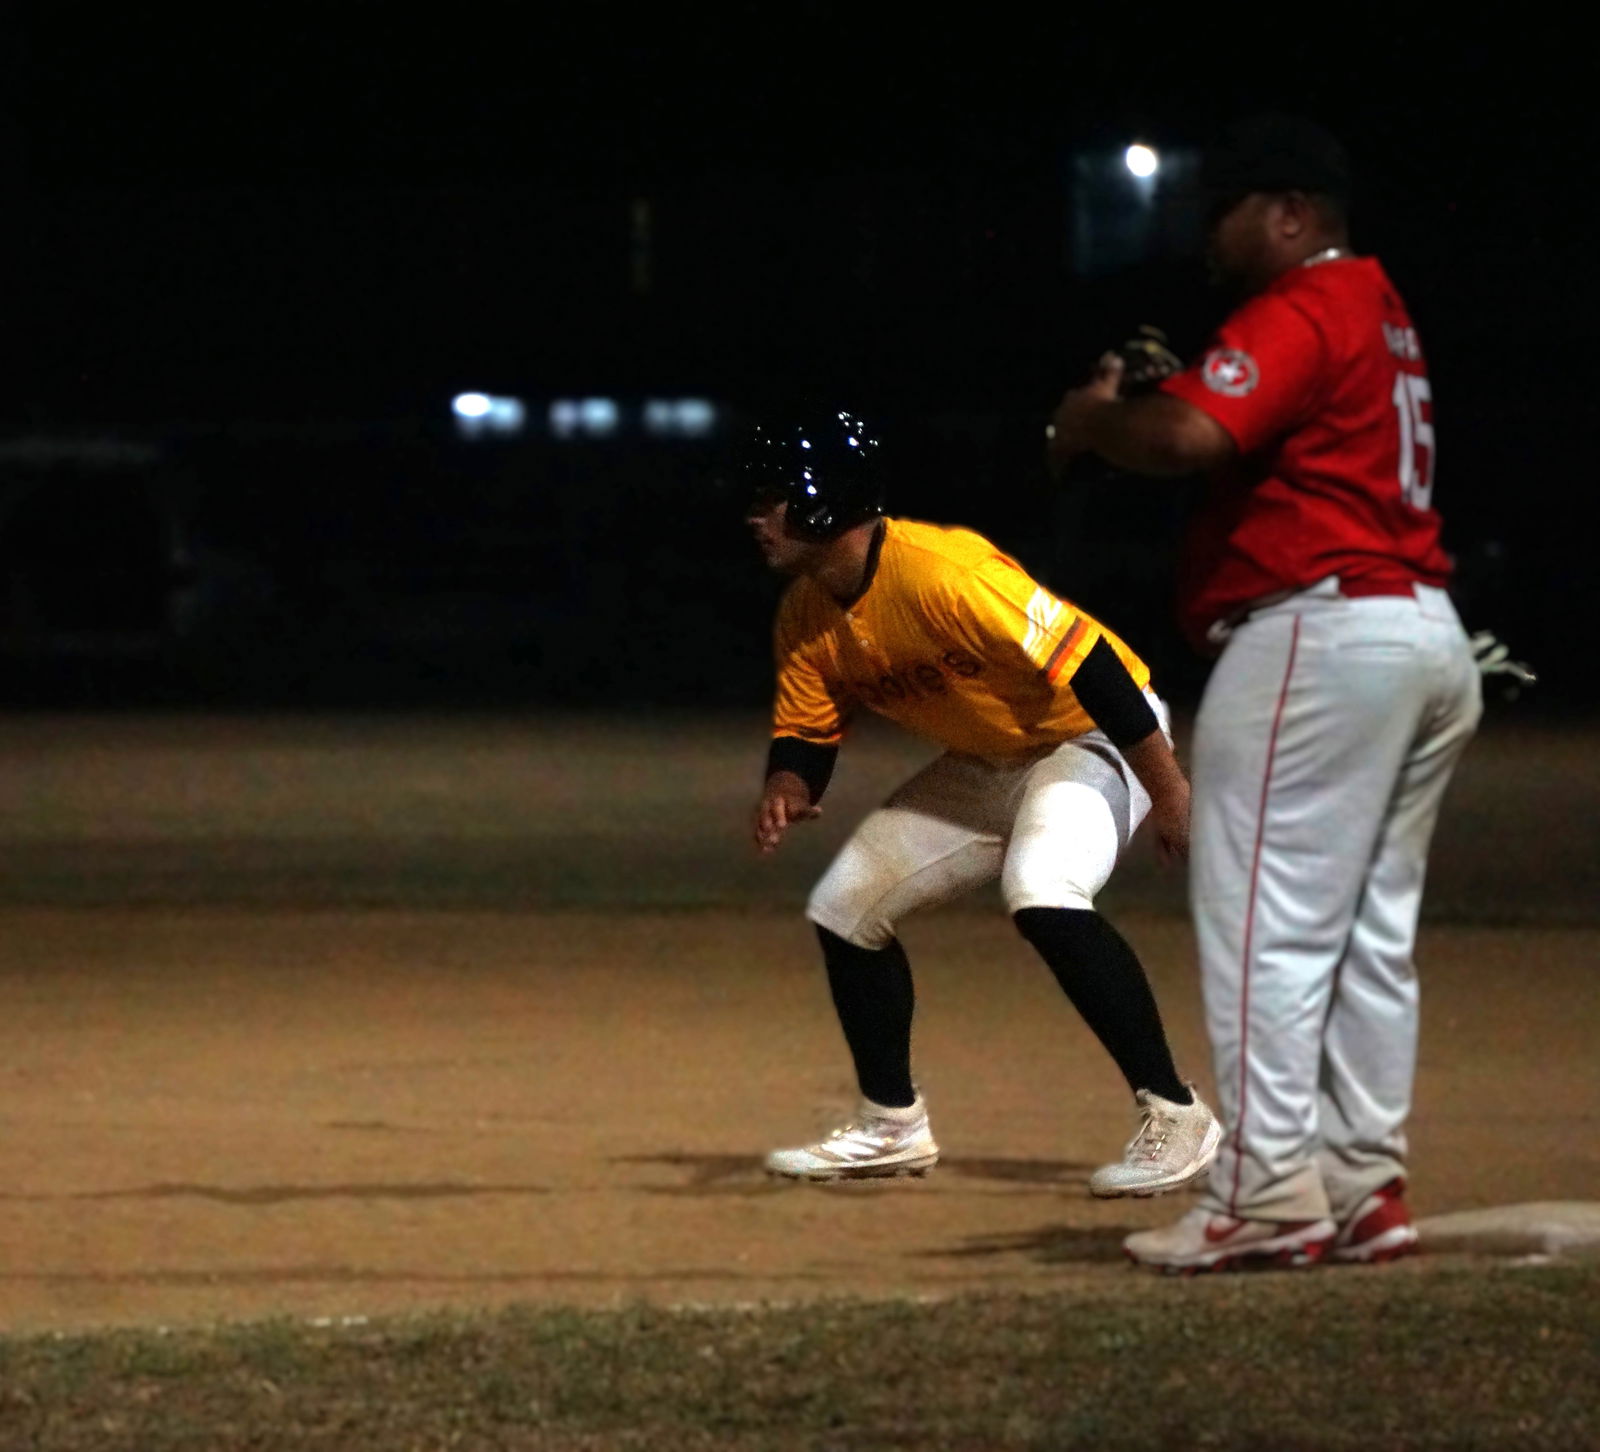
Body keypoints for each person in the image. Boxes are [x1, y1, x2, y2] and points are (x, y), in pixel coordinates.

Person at [1047, 116, 1482, 1271]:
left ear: (1291, 212)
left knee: (1261, 928)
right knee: (1364, 937)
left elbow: (1189, 435)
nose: (1213, 234)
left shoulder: (1307, 301)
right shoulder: (1379, 309)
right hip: (1416, 632)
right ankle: (1359, 1186)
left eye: (1233, 209)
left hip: (1317, 633)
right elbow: (1231, 423)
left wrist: (1093, 422)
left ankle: (1263, 1195)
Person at [740, 408, 1220, 1196]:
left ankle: (1177, 1112)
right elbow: (807, 727)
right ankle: (891, 1124)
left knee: (1042, 893)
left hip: (1095, 735)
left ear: (824, 502)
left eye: (772, 497)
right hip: (989, 760)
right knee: (846, 908)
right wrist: (789, 784)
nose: (756, 517)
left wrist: (1169, 789)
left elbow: (1093, 661)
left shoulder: (941, 570)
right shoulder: (805, 610)